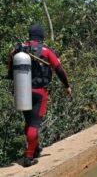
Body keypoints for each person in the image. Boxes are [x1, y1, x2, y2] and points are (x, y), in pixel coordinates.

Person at [7, 24, 71, 167]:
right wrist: (67, 86)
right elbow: (59, 69)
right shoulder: (46, 51)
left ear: (30, 35)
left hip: (22, 90)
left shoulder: (18, 50)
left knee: (29, 122)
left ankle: (35, 148)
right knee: (35, 124)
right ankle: (28, 157)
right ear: (41, 37)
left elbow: (10, 70)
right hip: (39, 92)